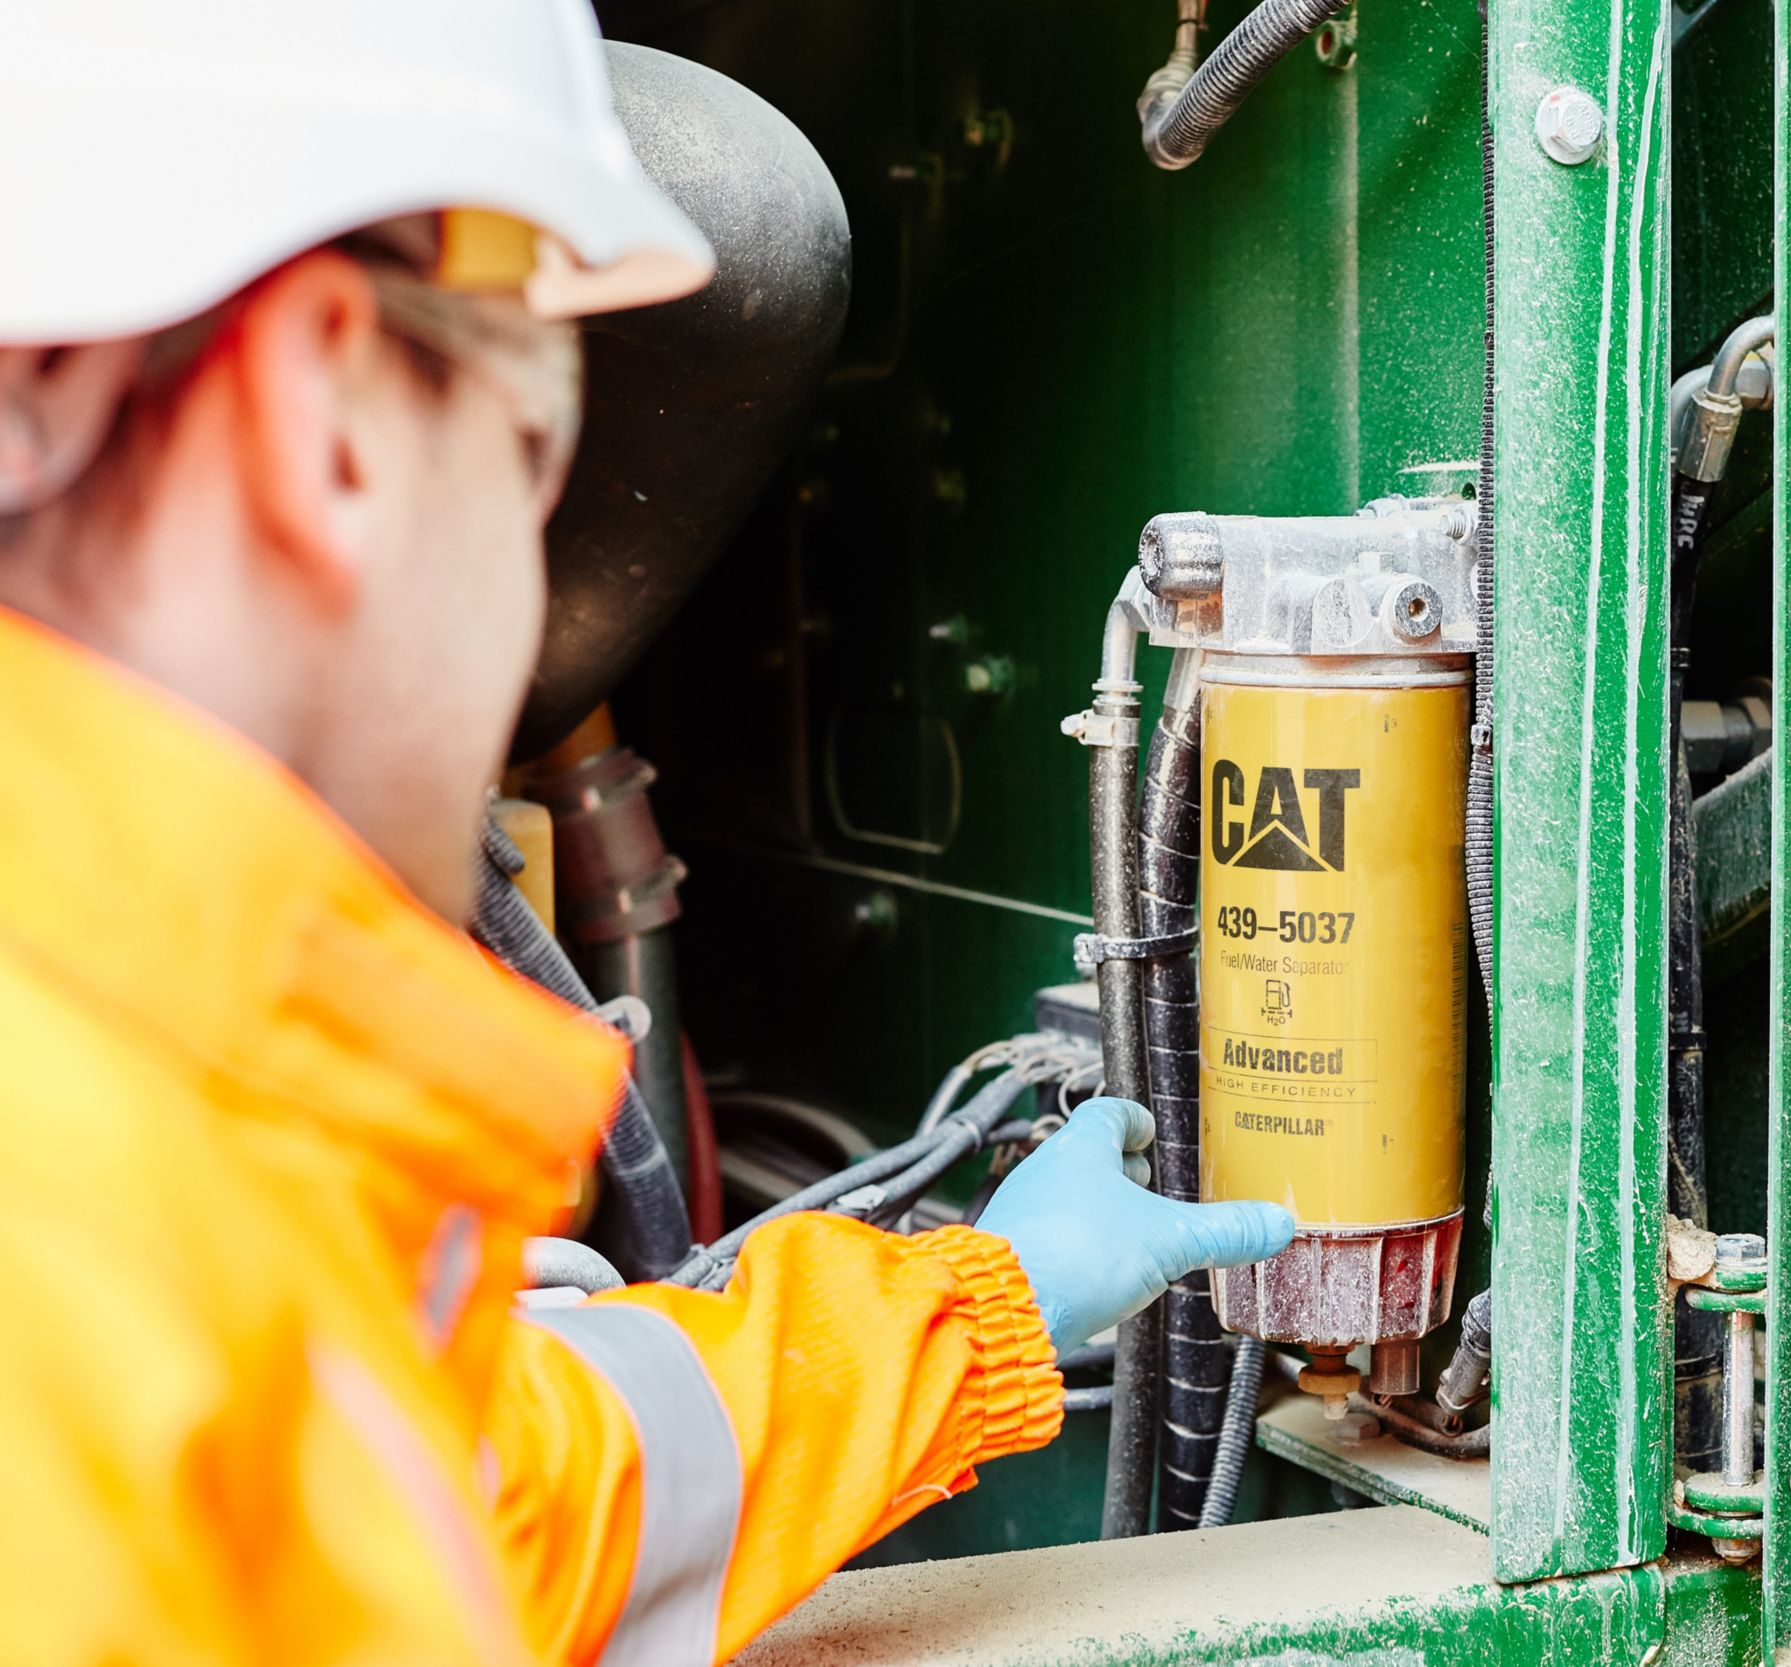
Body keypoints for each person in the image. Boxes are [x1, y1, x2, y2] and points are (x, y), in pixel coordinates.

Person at [0, 5, 1293, 1664]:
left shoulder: (150, 1236)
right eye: (537, 463)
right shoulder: (80, 1275)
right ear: (325, 425)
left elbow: (484, 1505)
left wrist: (975, 1311)